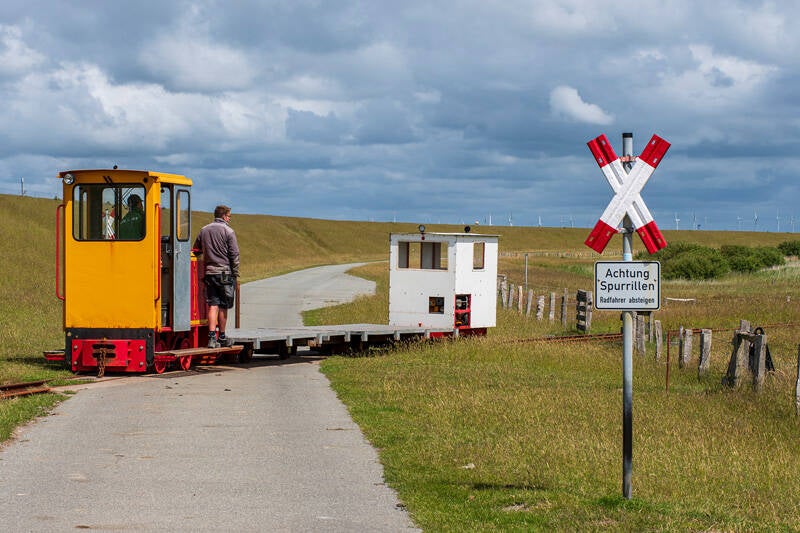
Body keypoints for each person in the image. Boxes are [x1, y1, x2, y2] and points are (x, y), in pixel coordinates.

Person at [193, 205, 240, 348]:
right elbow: (234, 255)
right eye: (229, 216)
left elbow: (196, 249)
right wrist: (235, 273)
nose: (230, 219)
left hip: (209, 272)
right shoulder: (229, 231)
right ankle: (223, 337)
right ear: (224, 216)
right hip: (224, 273)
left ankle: (212, 338)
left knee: (213, 305)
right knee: (224, 306)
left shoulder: (204, 230)